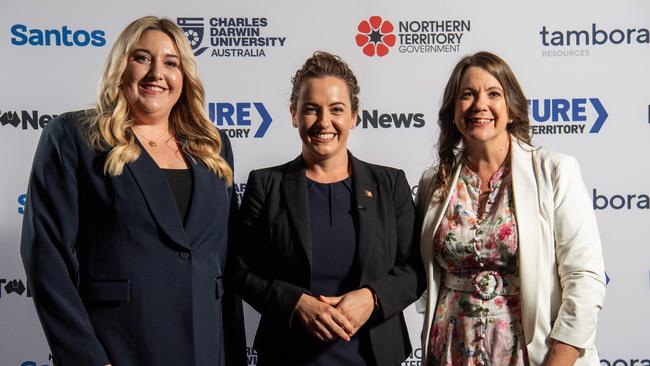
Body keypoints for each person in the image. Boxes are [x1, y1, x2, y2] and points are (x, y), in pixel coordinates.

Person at [21, 16, 245, 366]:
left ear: (184, 76)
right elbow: (46, 257)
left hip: (206, 351)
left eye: (171, 63)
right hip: (119, 348)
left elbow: (226, 267)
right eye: (142, 58)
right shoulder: (74, 137)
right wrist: (88, 359)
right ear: (119, 67)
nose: (157, 73)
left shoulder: (213, 147)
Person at [235, 51, 424, 365]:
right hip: (288, 355)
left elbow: (416, 269)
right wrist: (294, 303)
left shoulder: (390, 184)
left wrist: (373, 297)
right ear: (294, 114)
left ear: (354, 116)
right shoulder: (265, 185)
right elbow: (240, 270)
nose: (324, 122)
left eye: (337, 109)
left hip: (374, 356)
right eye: (311, 109)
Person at [417, 51, 606, 365]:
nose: (480, 105)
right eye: (467, 95)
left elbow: (585, 277)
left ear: (512, 108)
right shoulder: (433, 183)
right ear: (453, 109)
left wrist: (561, 358)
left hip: (533, 354)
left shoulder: (554, 171)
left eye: (493, 94)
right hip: (450, 350)